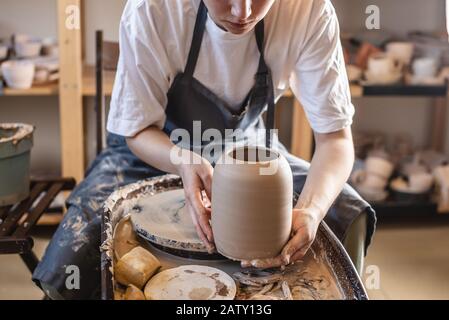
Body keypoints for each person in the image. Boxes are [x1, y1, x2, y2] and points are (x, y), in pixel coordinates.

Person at [33, 0, 376, 300]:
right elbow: (137, 131)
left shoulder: (309, 9)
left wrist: (312, 211)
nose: (242, 12)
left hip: (248, 149)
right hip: (156, 148)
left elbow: (335, 140)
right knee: (74, 253)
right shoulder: (152, 8)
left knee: (345, 214)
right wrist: (183, 161)